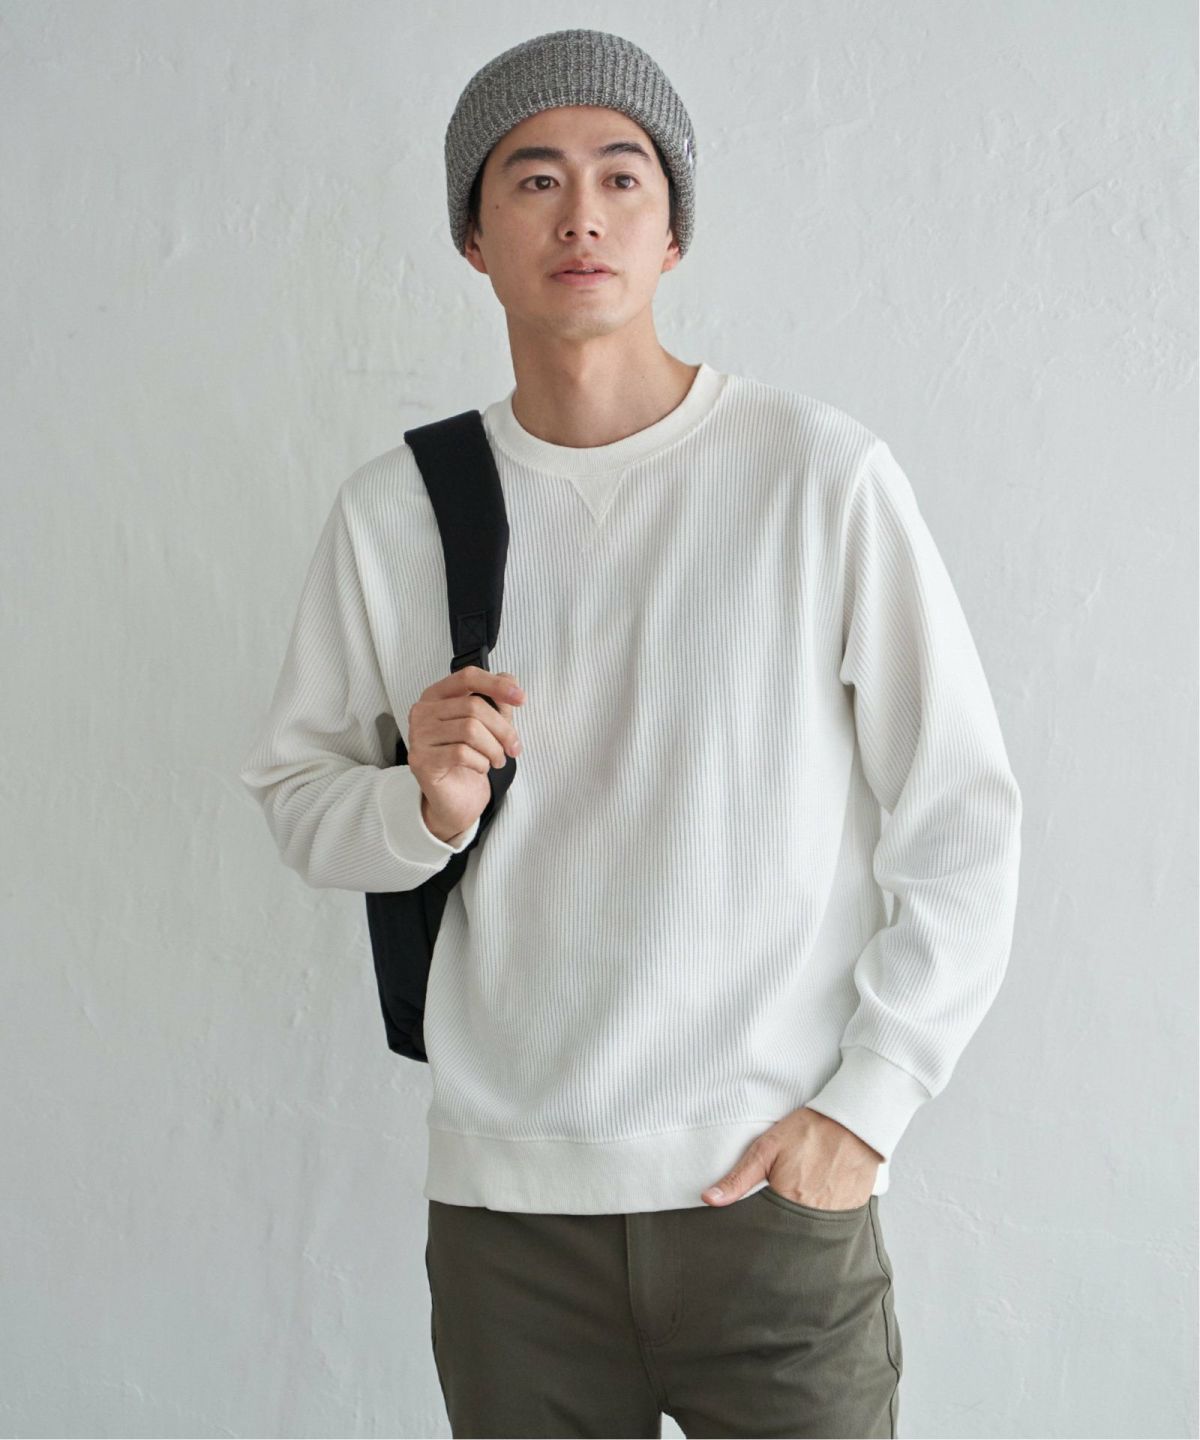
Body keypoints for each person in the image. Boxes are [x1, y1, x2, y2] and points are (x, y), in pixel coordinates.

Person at [239, 26, 1023, 1440]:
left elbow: (960, 815)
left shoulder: (817, 478)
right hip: (510, 1229)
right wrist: (419, 805)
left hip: (771, 1205)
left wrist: (868, 1108)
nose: (582, 215)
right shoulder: (399, 511)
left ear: (673, 232)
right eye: (533, 180)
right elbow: (299, 799)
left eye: (622, 176)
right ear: (473, 237)